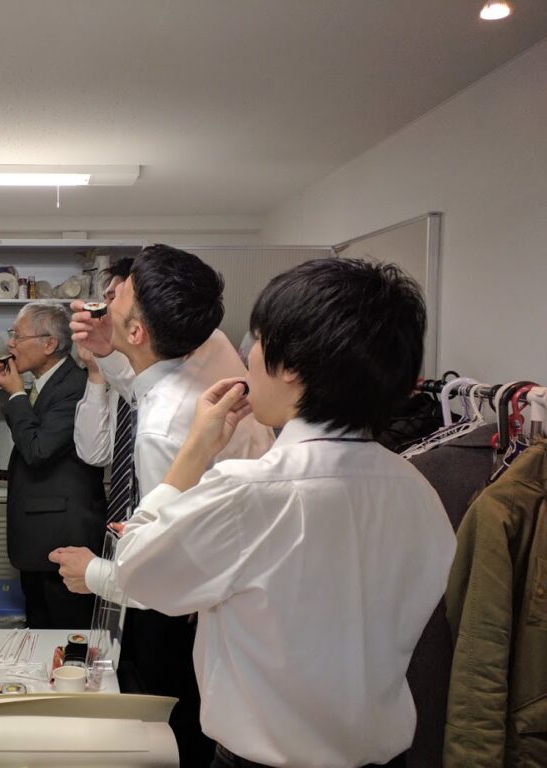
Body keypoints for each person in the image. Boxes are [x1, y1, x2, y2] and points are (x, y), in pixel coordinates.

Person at [115, 258, 457, 768]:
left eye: (256, 341)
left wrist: (193, 453)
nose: (246, 357)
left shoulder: (250, 493)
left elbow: (135, 569)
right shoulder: (419, 490)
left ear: (292, 367)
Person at [52, 244, 273, 766]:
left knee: (173, 737)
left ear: (137, 331)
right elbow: (150, 379)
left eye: (117, 296)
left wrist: (94, 573)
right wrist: (111, 350)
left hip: (193, 614)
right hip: (235, 581)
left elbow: (167, 568)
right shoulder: (205, 339)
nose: (106, 299)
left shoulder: (164, 430)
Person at [0, 301, 106, 629]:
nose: (10, 344)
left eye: (18, 336)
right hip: (40, 542)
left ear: (49, 344)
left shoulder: (75, 386)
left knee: (67, 638)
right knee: (40, 635)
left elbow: (38, 450)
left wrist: (15, 395)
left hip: (63, 539)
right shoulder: (45, 384)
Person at [72, 257, 133, 468]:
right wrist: (95, 372)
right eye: (105, 299)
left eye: (113, 298)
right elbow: (94, 455)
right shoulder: (113, 370)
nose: (104, 309)